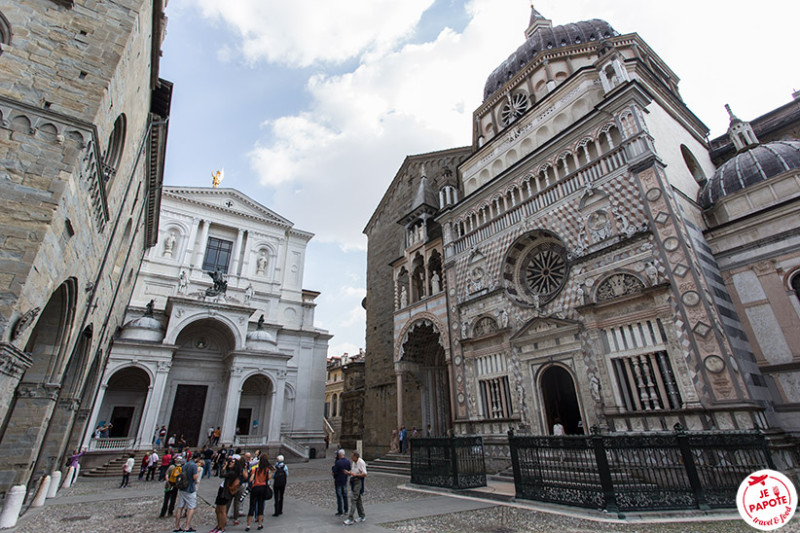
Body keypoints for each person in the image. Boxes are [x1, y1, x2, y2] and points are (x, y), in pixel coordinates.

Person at [212, 455, 242, 533]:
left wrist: (224, 466)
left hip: (225, 492)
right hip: (222, 490)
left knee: (222, 510)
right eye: (230, 462)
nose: (230, 463)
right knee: (218, 509)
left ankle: (222, 528)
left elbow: (221, 475)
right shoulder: (230, 471)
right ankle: (218, 526)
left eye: (232, 462)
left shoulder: (232, 473)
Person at [174, 453, 199, 533]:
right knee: (191, 507)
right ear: (197, 458)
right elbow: (194, 477)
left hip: (182, 488)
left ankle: (177, 527)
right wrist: (198, 474)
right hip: (190, 489)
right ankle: (187, 527)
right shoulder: (194, 466)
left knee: (180, 507)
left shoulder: (186, 464)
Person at [246, 455, 272, 531]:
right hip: (263, 488)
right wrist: (272, 472)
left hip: (255, 488)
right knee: (261, 506)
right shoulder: (266, 470)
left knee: (252, 506)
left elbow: (251, 479)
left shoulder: (255, 469)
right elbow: (268, 479)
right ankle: (260, 524)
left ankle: (248, 525)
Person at [343, 451, 367, 525]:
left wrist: (356, 475)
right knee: (358, 499)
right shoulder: (354, 462)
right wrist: (349, 472)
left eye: (352, 456)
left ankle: (350, 518)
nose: (351, 457)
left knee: (354, 499)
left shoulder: (361, 462)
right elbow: (353, 471)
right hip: (354, 481)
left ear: (356, 457)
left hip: (358, 481)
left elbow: (365, 474)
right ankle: (362, 516)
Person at [332, 449, 350, 516]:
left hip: (338, 480)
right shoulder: (347, 461)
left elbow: (334, 472)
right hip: (344, 480)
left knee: (339, 496)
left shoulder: (338, 462)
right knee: (345, 495)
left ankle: (340, 510)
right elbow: (349, 469)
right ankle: (346, 509)